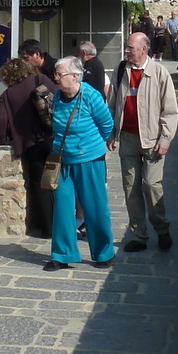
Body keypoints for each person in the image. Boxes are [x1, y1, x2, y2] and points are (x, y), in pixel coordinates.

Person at [107, 31, 178, 252]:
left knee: (150, 185)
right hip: (127, 138)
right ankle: (138, 235)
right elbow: (111, 105)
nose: (127, 51)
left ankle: (162, 229)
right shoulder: (121, 71)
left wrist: (165, 139)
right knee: (131, 189)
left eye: (130, 47)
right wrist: (111, 133)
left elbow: (170, 111)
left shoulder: (159, 73)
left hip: (152, 139)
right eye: (127, 47)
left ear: (144, 49)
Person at [45, 56, 117, 271]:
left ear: (75, 76)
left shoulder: (90, 96)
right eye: (55, 74)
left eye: (60, 74)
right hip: (63, 160)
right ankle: (62, 254)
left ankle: (104, 253)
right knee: (63, 207)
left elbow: (106, 124)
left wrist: (91, 146)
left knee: (95, 206)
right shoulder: (58, 96)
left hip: (89, 159)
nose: (56, 78)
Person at [0, 57, 56, 238]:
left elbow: (2, 121)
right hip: (52, 137)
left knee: (39, 186)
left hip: (30, 144)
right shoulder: (41, 80)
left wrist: (0, 141)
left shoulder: (7, 95)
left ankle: (45, 227)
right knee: (59, 182)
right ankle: (64, 224)